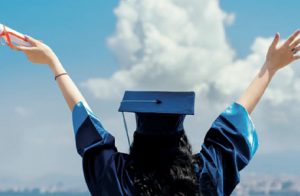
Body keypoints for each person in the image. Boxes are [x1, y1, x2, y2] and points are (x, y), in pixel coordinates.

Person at [13, 30, 300, 196]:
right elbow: (233, 125)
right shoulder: (206, 178)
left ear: (139, 136)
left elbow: (89, 128)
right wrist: (270, 69)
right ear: (182, 139)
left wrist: (54, 63)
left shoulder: (117, 180)